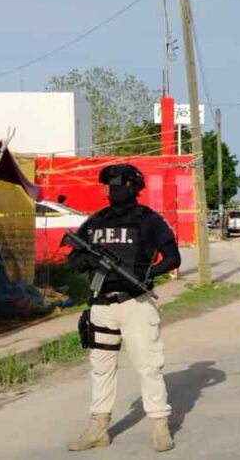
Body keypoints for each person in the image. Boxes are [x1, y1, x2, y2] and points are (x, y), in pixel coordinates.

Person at [67, 164, 182, 453]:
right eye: (105, 185)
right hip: (101, 305)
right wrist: (87, 262)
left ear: (127, 185)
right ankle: (97, 428)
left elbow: (173, 257)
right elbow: (74, 257)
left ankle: (159, 425)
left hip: (136, 305)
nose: (106, 190)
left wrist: (149, 274)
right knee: (101, 368)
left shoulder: (149, 220)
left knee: (149, 366)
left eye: (111, 184)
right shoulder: (96, 221)